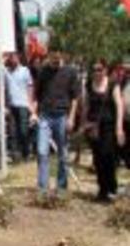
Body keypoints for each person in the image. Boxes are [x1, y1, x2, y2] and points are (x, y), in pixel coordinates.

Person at [31, 51, 81, 198]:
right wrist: (34, 113)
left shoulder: (70, 72)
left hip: (62, 115)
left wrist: (71, 118)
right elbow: (36, 95)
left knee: (63, 153)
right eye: (52, 59)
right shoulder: (43, 72)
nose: (55, 61)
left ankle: (62, 187)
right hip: (45, 116)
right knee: (41, 151)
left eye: (57, 59)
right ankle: (43, 188)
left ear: (62, 57)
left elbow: (75, 98)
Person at [82, 59, 125, 202]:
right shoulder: (88, 85)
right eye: (94, 69)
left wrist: (119, 128)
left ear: (105, 70)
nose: (97, 72)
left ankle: (112, 187)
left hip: (109, 127)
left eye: (100, 69)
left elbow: (119, 107)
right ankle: (102, 189)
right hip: (93, 127)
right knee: (98, 158)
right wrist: (83, 124)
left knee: (108, 156)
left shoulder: (113, 85)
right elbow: (86, 106)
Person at [3, 52, 34, 161]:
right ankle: (15, 155)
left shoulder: (25, 70)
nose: (12, 59)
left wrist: (31, 103)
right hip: (11, 105)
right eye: (11, 57)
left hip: (23, 104)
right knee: (12, 131)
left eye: (14, 57)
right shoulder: (6, 71)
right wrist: (3, 60)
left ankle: (26, 152)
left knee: (23, 130)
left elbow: (30, 88)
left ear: (18, 57)